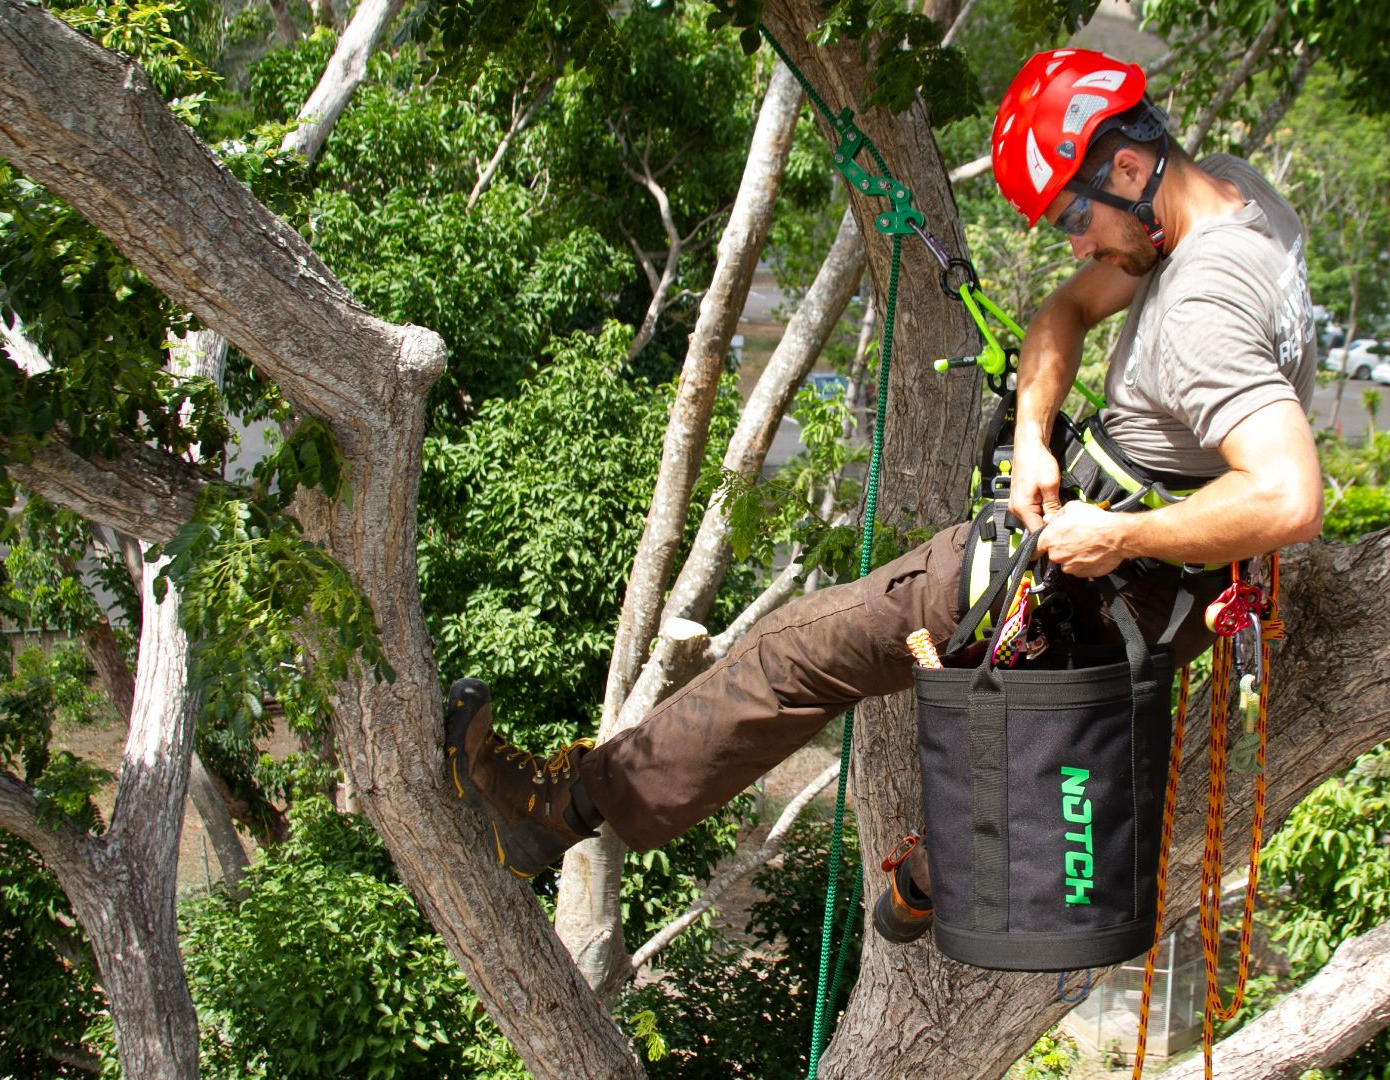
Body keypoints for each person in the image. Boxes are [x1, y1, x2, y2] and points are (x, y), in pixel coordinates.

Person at [442, 48, 1323, 940]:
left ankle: (554, 815)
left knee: (794, 654)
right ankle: (929, 886)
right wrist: (1029, 439)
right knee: (1028, 713)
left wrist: (1117, 537)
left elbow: (1290, 499)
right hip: (1155, 600)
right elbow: (1061, 314)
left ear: (1127, 168)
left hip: (1083, 574)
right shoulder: (1233, 199)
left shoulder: (1200, 305)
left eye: (1072, 216)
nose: (1079, 242)